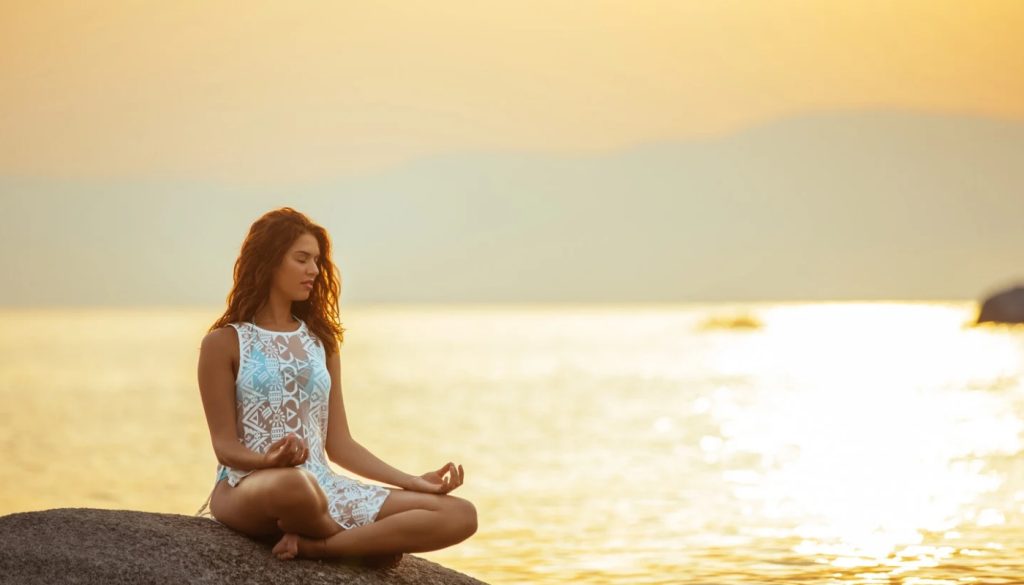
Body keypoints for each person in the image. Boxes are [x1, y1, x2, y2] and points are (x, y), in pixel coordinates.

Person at [193, 207, 477, 565]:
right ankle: (360, 544)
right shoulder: (223, 343)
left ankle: (321, 547)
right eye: (302, 259)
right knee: (294, 485)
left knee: (460, 513)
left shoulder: (320, 342)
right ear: (268, 261)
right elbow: (224, 447)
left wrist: (414, 482)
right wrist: (268, 460)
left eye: (316, 260)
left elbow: (339, 444)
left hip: (321, 487)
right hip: (247, 485)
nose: (314, 269)